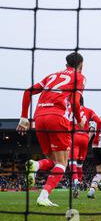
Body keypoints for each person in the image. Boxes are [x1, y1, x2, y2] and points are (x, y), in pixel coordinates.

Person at [17, 52, 86, 207]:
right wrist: (80, 121)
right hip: (57, 117)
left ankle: (36, 165)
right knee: (63, 162)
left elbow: (28, 92)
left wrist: (23, 119)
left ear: (66, 64)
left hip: (39, 118)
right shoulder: (79, 77)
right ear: (81, 64)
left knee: (54, 161)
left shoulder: (52, 76)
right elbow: (75, 102)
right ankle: (43, 196)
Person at [68, 96, 101, 198]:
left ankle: (75, 181)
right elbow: (99, 121)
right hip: (85, 138)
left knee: (72, 162)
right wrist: (96, 138)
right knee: (79, 165)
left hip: (74, 137)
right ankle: (79, 183)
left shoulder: (69, 109)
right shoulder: (89, 110)